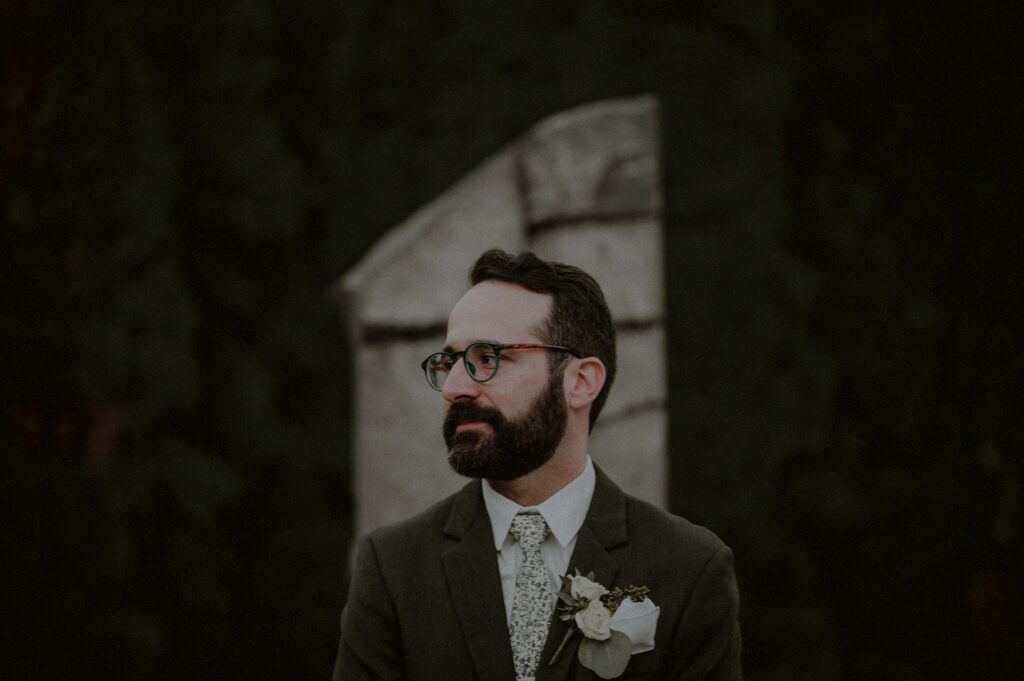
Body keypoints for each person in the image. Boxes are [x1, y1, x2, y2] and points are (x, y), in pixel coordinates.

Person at [332, 249, 741, 681]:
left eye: (487, 358)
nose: (454, 388)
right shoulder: (394, 566)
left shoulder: (689, 567)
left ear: (580, 382)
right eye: (450, 362)